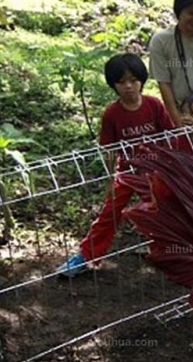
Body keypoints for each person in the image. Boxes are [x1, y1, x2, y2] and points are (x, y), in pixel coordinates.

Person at [56, 53, 175, 278]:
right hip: (127, 170)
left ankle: (168, 253)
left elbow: (169, 135)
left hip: (155, 170)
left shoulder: (154, 105)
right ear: (114, 85)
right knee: (109, 212)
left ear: (142, 80)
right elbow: (110, 149)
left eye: (133, 80)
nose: (128, 86)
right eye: (122, 82)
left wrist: (168, 168)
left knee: (160, 211)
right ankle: (86, 255)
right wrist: (111, 179)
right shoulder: (112, 113)